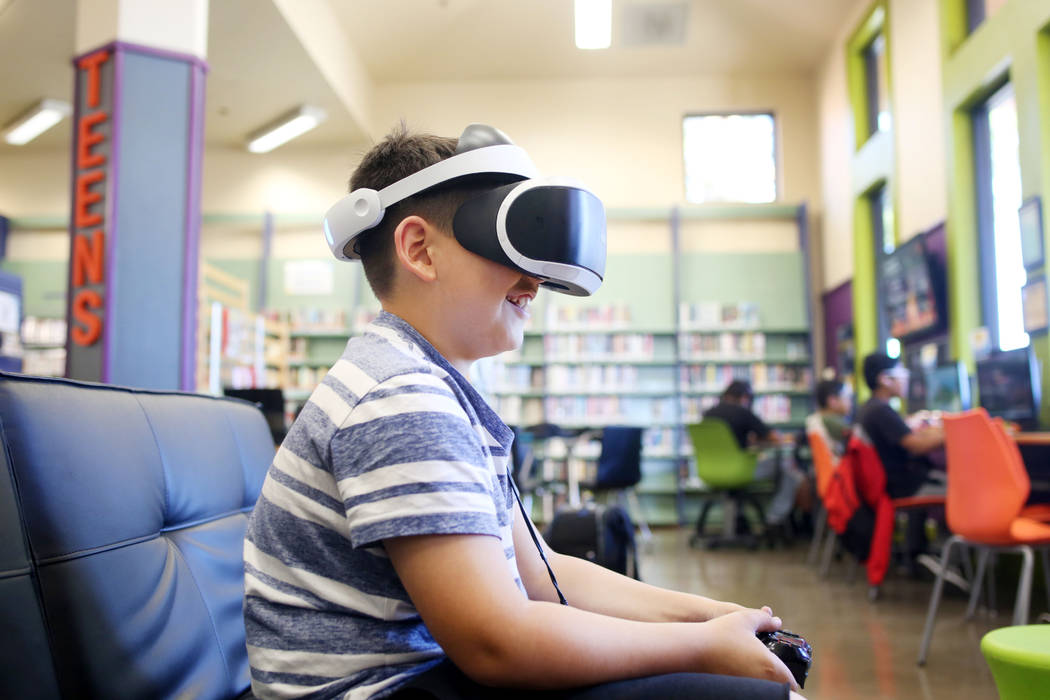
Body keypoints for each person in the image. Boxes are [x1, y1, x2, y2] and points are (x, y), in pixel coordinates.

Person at [243, 124, 804, 700]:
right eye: (510, 245)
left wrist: (708, 617)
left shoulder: (425, 382)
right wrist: (705, 648)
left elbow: (542, 573)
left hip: (423, 676)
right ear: (418, 250)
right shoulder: (400, 398)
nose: (535, 280)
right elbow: (496, 642)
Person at [855, 352, 946, 576]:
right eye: (901, 373)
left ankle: (917, 555)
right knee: (961, 488)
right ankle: (951, 560)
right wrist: (953, 432)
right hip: (902, 486)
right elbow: (916, 445)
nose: (906, 378)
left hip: (894, 483)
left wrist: (937, 430)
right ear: (885, 380)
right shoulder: (881, 411)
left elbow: (909, 436)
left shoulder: (871, 408)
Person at [703, 380, 806, 532]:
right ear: (745, 398)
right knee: (788, 467)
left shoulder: (708, 414)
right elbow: (774, 438)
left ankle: (740, 519)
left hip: (709, 471)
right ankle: (775, 518)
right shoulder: (742, 412)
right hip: (739, 470)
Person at [805, 379, 851, 456]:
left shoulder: (816, 419)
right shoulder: (830, 421)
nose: (849, 402)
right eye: (846, 397)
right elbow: (854, 436)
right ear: (832, 400)